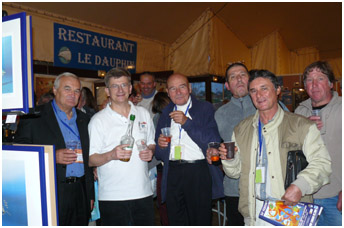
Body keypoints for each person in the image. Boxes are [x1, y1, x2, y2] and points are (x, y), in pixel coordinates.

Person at [220, 69, 332, 226]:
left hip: (290, 211)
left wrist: (300, 186)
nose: (259, 95)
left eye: (264, 88)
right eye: (253, 90)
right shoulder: (241, 129)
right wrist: (229, 159)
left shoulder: (301, 125)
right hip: (254, 212)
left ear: (278, 90)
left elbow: (322, 163)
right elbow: (234, 172)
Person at [14, 72, 94, 226]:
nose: (73, 94)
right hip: (51, 189)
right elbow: (20, 153)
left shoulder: (84, 119)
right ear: (55, 90)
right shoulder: (33, 116)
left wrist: (89, 194)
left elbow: (88, 162)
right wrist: (50, 157)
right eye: (67, 89)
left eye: (77, 91)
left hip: (80, 191)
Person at [88, 67, 156, 226]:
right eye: (115, 86)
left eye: (124, 85)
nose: (120, 90)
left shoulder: (143, 114)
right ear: (107, 91)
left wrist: (150, 151)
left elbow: (152, 143)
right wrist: (111, 154)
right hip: (113, 197)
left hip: (143, 193)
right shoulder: (98, 121)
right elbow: (91, 159)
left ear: (130, 88)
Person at [155, 73, 224, 225]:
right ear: (168, 92)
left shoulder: (205, 108)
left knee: (200, 220)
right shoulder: (166, 113)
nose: (178, 92)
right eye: (173, 88)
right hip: (172, 171)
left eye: (182, 87)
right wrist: (160, 145)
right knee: (176, 219)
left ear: (190, 88)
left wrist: (187, 123)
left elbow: (212, 142)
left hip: (197, 171)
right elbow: (159, 155)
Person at [295, 61, 342, 226]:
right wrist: (303, 128)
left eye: (320, 78)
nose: (314, 85)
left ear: (330, 83)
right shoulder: (299, 112)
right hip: (306, 194)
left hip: (336, 195)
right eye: (309, 80)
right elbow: (293, 150)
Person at [210, 62, 256, 226]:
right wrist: (213, 152)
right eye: (233, 77)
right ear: (227, 85)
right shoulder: (220, 114)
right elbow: (214, 143)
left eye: (243, 75)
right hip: (233, 187)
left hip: (265, 186)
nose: (239, 79)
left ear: (249, 79)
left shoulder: (266, 105)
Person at [151, 91, 171, 226]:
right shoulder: (163, 118)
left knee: (163, 204)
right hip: (170, 165)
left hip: (162, 167)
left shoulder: (156, 118)